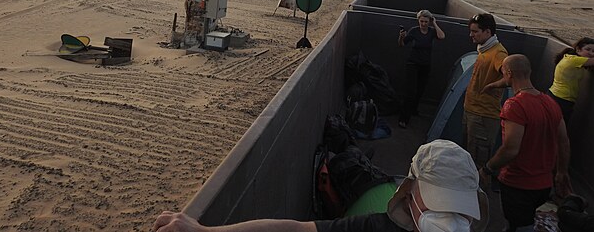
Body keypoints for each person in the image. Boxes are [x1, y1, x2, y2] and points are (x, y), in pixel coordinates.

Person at [152, 139, 487, 232]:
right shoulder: (376, 227)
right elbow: (297, 229)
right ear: (410, 192)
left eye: (460, 209)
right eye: (439, 201)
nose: (450, 217)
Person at [480, 54, 572, 232]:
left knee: (517, 226)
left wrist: (487, 169)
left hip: (518, 184)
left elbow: (511, 149)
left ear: (508, 73)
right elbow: (564, 142)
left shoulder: (514, 105)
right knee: (525, 223)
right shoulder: (550, 102)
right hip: (544, 185)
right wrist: (561, 172)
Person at [462, 13, 508, 168]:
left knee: (477, 163)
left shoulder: (498, 53)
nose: (471, 35)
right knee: (467, 158)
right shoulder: (484, 50)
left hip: (483, 116)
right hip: (471, 111)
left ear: (488, 32)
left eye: (475, 31)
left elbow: (510, 77)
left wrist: (492, 86)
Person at [397, 10, 445, 128]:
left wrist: (435, 23)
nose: (423, 24)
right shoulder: (414, 31)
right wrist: (401, 37)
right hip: (412, 64)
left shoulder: (432, 31)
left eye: (426, 22)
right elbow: (402, 44)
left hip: (425, 65)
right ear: (418, 20)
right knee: (411, 92)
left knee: (420, 90)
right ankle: (404, 118)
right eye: (421, 21)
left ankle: (414, 110)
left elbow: (442, 36)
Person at [548, 37, 594, 123]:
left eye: (593, 51)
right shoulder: (574, 60)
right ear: (578, 49)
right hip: (562, 100)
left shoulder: (569, 58)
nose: (591, 53)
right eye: (588, 49)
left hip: (555, 96)